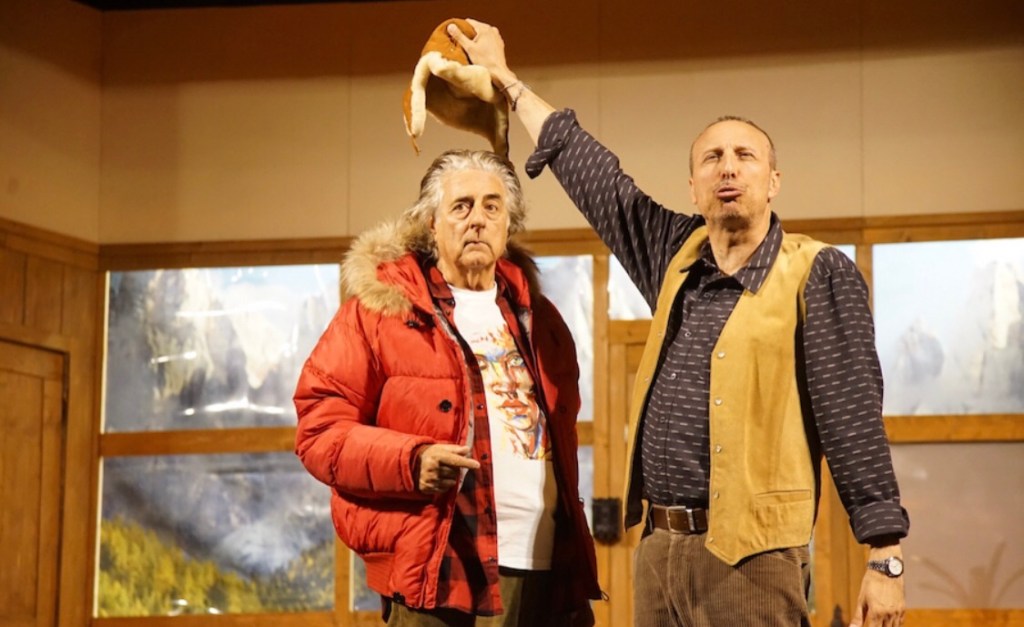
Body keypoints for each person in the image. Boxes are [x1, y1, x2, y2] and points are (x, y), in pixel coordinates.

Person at [448, 20, 910, 627]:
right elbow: (593, 174)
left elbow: (851, 414)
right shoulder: (675, 254)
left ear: (773, 182)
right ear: (693, 188)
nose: (728, 169)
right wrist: (507, 82)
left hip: (754, 560)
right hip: (659, 551)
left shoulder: (817, 272)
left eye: (745, 157)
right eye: (712, 158)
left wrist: (884, 555)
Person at [293, 149, 600, 627]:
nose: (478, 219)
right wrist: (410, 461)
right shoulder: (379, 314)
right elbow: (320, 431)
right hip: (442, 573)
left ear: (508, 224)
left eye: (492, 206)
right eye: (461, 206)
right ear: (431, 224)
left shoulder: (542, 320)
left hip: (546, 571)